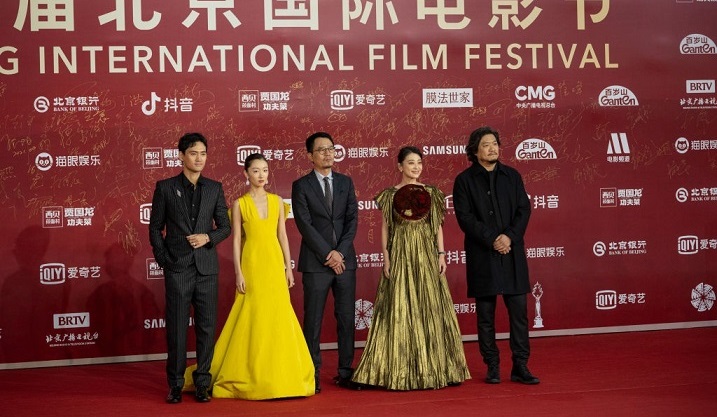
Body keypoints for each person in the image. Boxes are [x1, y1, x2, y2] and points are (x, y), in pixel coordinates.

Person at [183, 153, 315, 399]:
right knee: (252, 315)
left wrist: (288, 267)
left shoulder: (277, 202)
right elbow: (235, 243)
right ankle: (250, 372)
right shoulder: (239, 204)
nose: (261, 175)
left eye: (265, 170)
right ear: (246, 174)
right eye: (255, 170)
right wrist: (238, 273)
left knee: (277, 315)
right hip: (252, 265)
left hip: (274, 265)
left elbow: (282, 237)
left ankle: (282, 373)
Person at [352, 146, 471, 390]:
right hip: (400, 255)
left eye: (419, 162)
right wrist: (386, 257)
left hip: (427, 255)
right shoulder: (388, 195)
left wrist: (441, 253)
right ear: (400, 167)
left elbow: (436, 226)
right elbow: (386, 227)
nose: (415, 167)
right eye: (410, 163)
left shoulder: (432, 193)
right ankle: (396, 370)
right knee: (397, 308)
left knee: (430, 307)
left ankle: (438, 368)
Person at [452, 126, 540, 385]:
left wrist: (509, 237)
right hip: (483, 254)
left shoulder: (512, 176)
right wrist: (492, 238)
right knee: (485, 316)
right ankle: (492, 365)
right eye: (486, 145)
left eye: (495, 144)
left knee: (519, 314)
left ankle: (520, 366)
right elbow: (465, 218)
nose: (492, 148)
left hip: (511, 252)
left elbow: (524, 209)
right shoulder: (464, 181)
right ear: (475, 151)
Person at [149, 132, 232, 403]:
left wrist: (208, 236)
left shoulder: (214, 188)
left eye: (203, 153)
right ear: (181, 155)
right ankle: (175, 384)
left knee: (207, 327)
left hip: (207, 268)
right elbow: (155, 228)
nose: (199, 158)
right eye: (194, 153)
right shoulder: (165, 187)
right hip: (178, 268)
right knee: (176, 328)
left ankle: (202, 383)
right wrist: (164, 260)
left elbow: (225, 226)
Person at [291, 131, 359, 393]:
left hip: (345, 261)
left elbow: (352, 220)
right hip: (316, 263)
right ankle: (313, 373)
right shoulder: (301, 186)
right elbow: (304, 224)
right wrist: (328, 255)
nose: (328, 153)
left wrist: (340, 253)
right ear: (310, 156)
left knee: (346, 317)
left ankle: (345, 371)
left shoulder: (345, 182)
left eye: (331, 148)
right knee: (313, 320)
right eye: (321, 150)